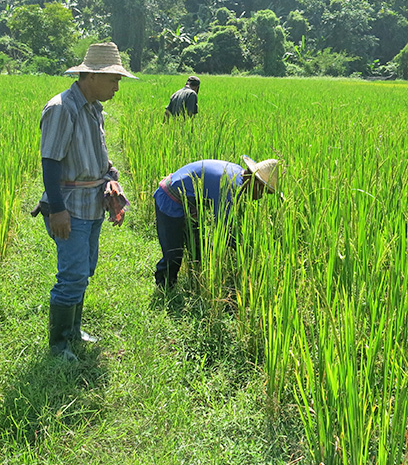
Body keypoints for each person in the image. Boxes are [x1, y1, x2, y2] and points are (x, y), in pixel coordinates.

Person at [38, 42, 137, 360]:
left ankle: (74, 330)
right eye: (114, 80)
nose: (117, 87)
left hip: (92, 203)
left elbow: (95, 154)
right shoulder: (61, 108)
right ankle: (58, 345)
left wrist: (110, 174)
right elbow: (50, 162)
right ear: (92, 76)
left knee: (85, 270)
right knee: (72, 274)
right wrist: (57, 210)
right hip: (69, 206)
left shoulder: (94, 109)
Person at [153, 156, 281, 289]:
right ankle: (164, 289)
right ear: (256, 182)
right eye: (264, 191)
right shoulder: (230, 187)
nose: (260, 197)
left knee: (197, 249)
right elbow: (225, 230)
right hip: (169, 200)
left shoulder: (238, 174)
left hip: (189, 205)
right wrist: (247, 252)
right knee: (173, 254)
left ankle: (196, 284)